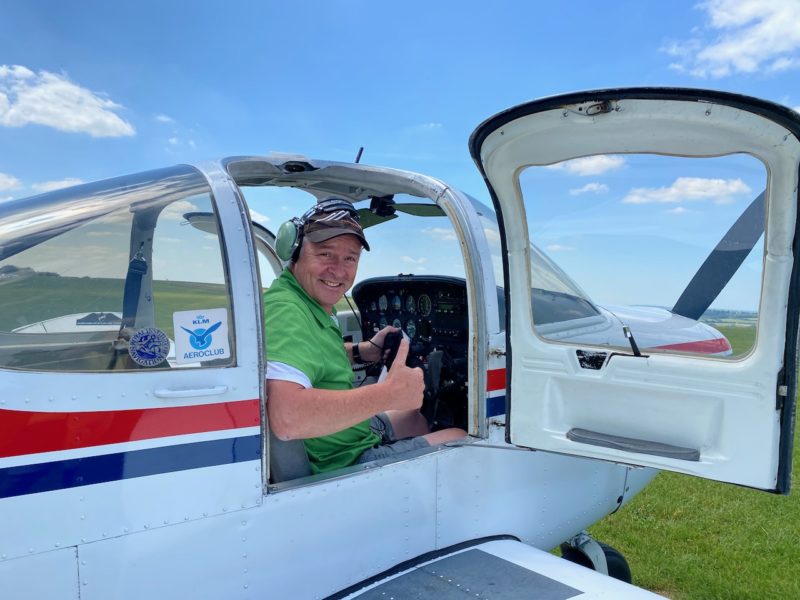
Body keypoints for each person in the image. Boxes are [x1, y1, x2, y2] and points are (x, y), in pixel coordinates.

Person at [265, 198, 467, 474]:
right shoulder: (286, 312)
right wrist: (389, 394)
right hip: (342, 459)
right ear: (295, 251)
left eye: (350, 258)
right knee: (460, 438)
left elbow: (308, 355)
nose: (338, 270)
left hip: (345, 434)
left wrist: (364, 350)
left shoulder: (300, 301)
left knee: (415, 418)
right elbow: (288, 419)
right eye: (325, 254)